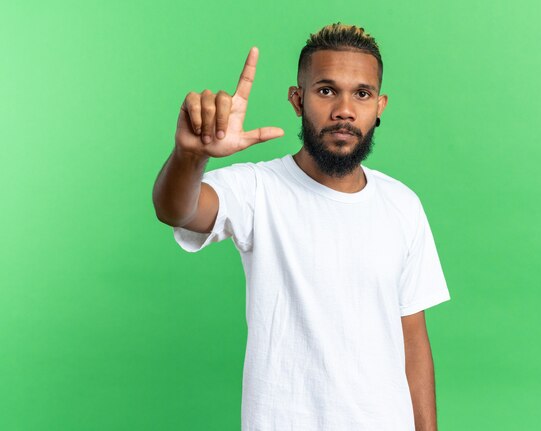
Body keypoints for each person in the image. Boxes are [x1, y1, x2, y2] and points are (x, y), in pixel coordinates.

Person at [152, 23, 450, 431]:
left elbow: (413, 342)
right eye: (326, 90)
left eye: (361, 94)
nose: (344, 109)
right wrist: (190, 157)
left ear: (379, 105)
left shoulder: (403, 205)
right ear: (297, 99)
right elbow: (179, 210)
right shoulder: (258, 189)